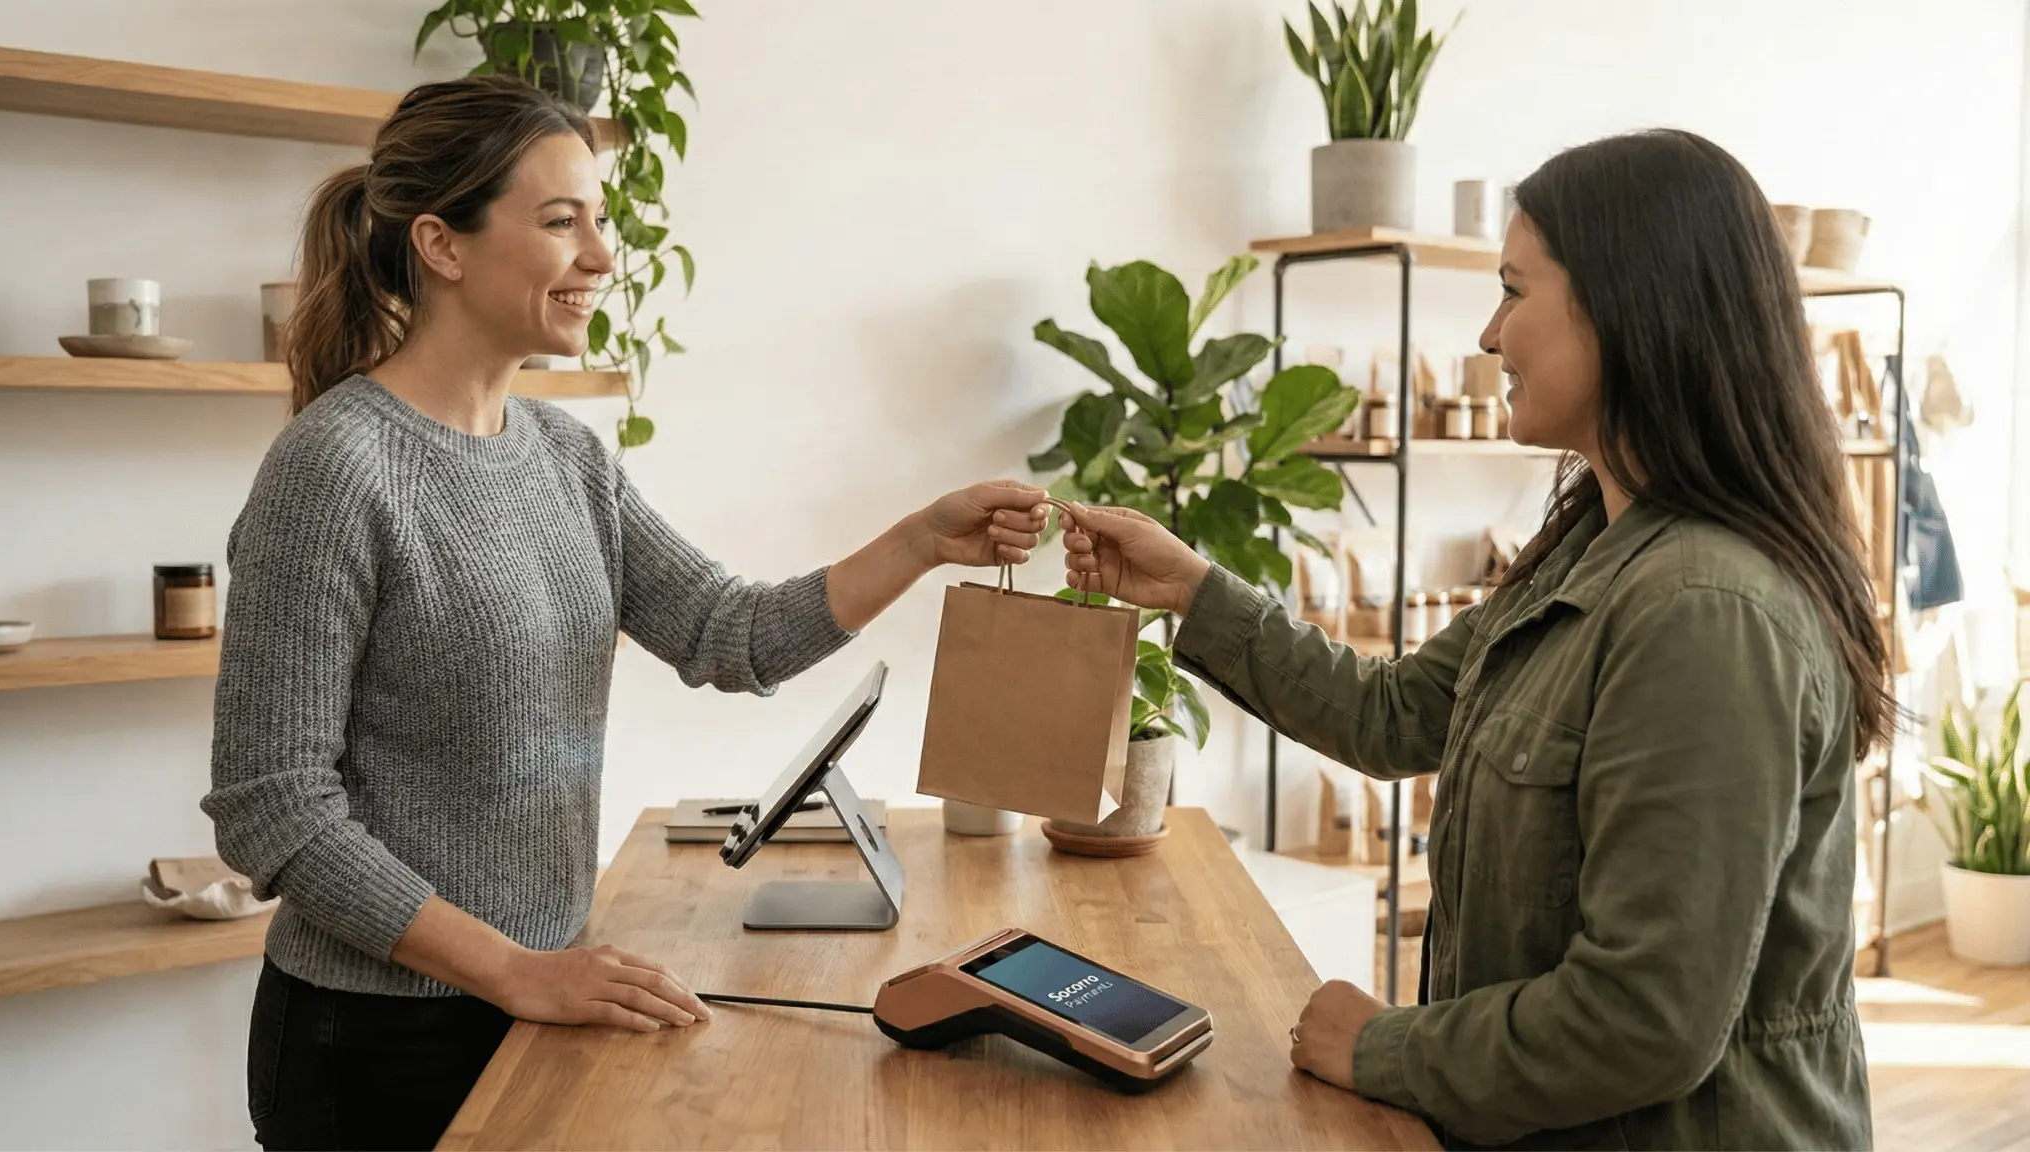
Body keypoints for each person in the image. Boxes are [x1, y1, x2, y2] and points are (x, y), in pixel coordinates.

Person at [202, 75, 1050, 1151]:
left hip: (539, 995)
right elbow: (273, 808)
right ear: (442, 244)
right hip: (375, 1045)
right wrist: (518, 972)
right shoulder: (334, 468)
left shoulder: (564, 458)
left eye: (599, 220)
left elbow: (728, 635)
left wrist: (923, 542)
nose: (603, 256)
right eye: (562, 221)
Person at [1061, 129, 1886, 1150]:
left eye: (1514, 290)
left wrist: (1385, 1049)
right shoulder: (1593, 547)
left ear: (1630, 308)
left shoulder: (1705, 613)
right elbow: (1393, 712)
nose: (1490, 336)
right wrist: (1190, 590)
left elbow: (1644, 1020)